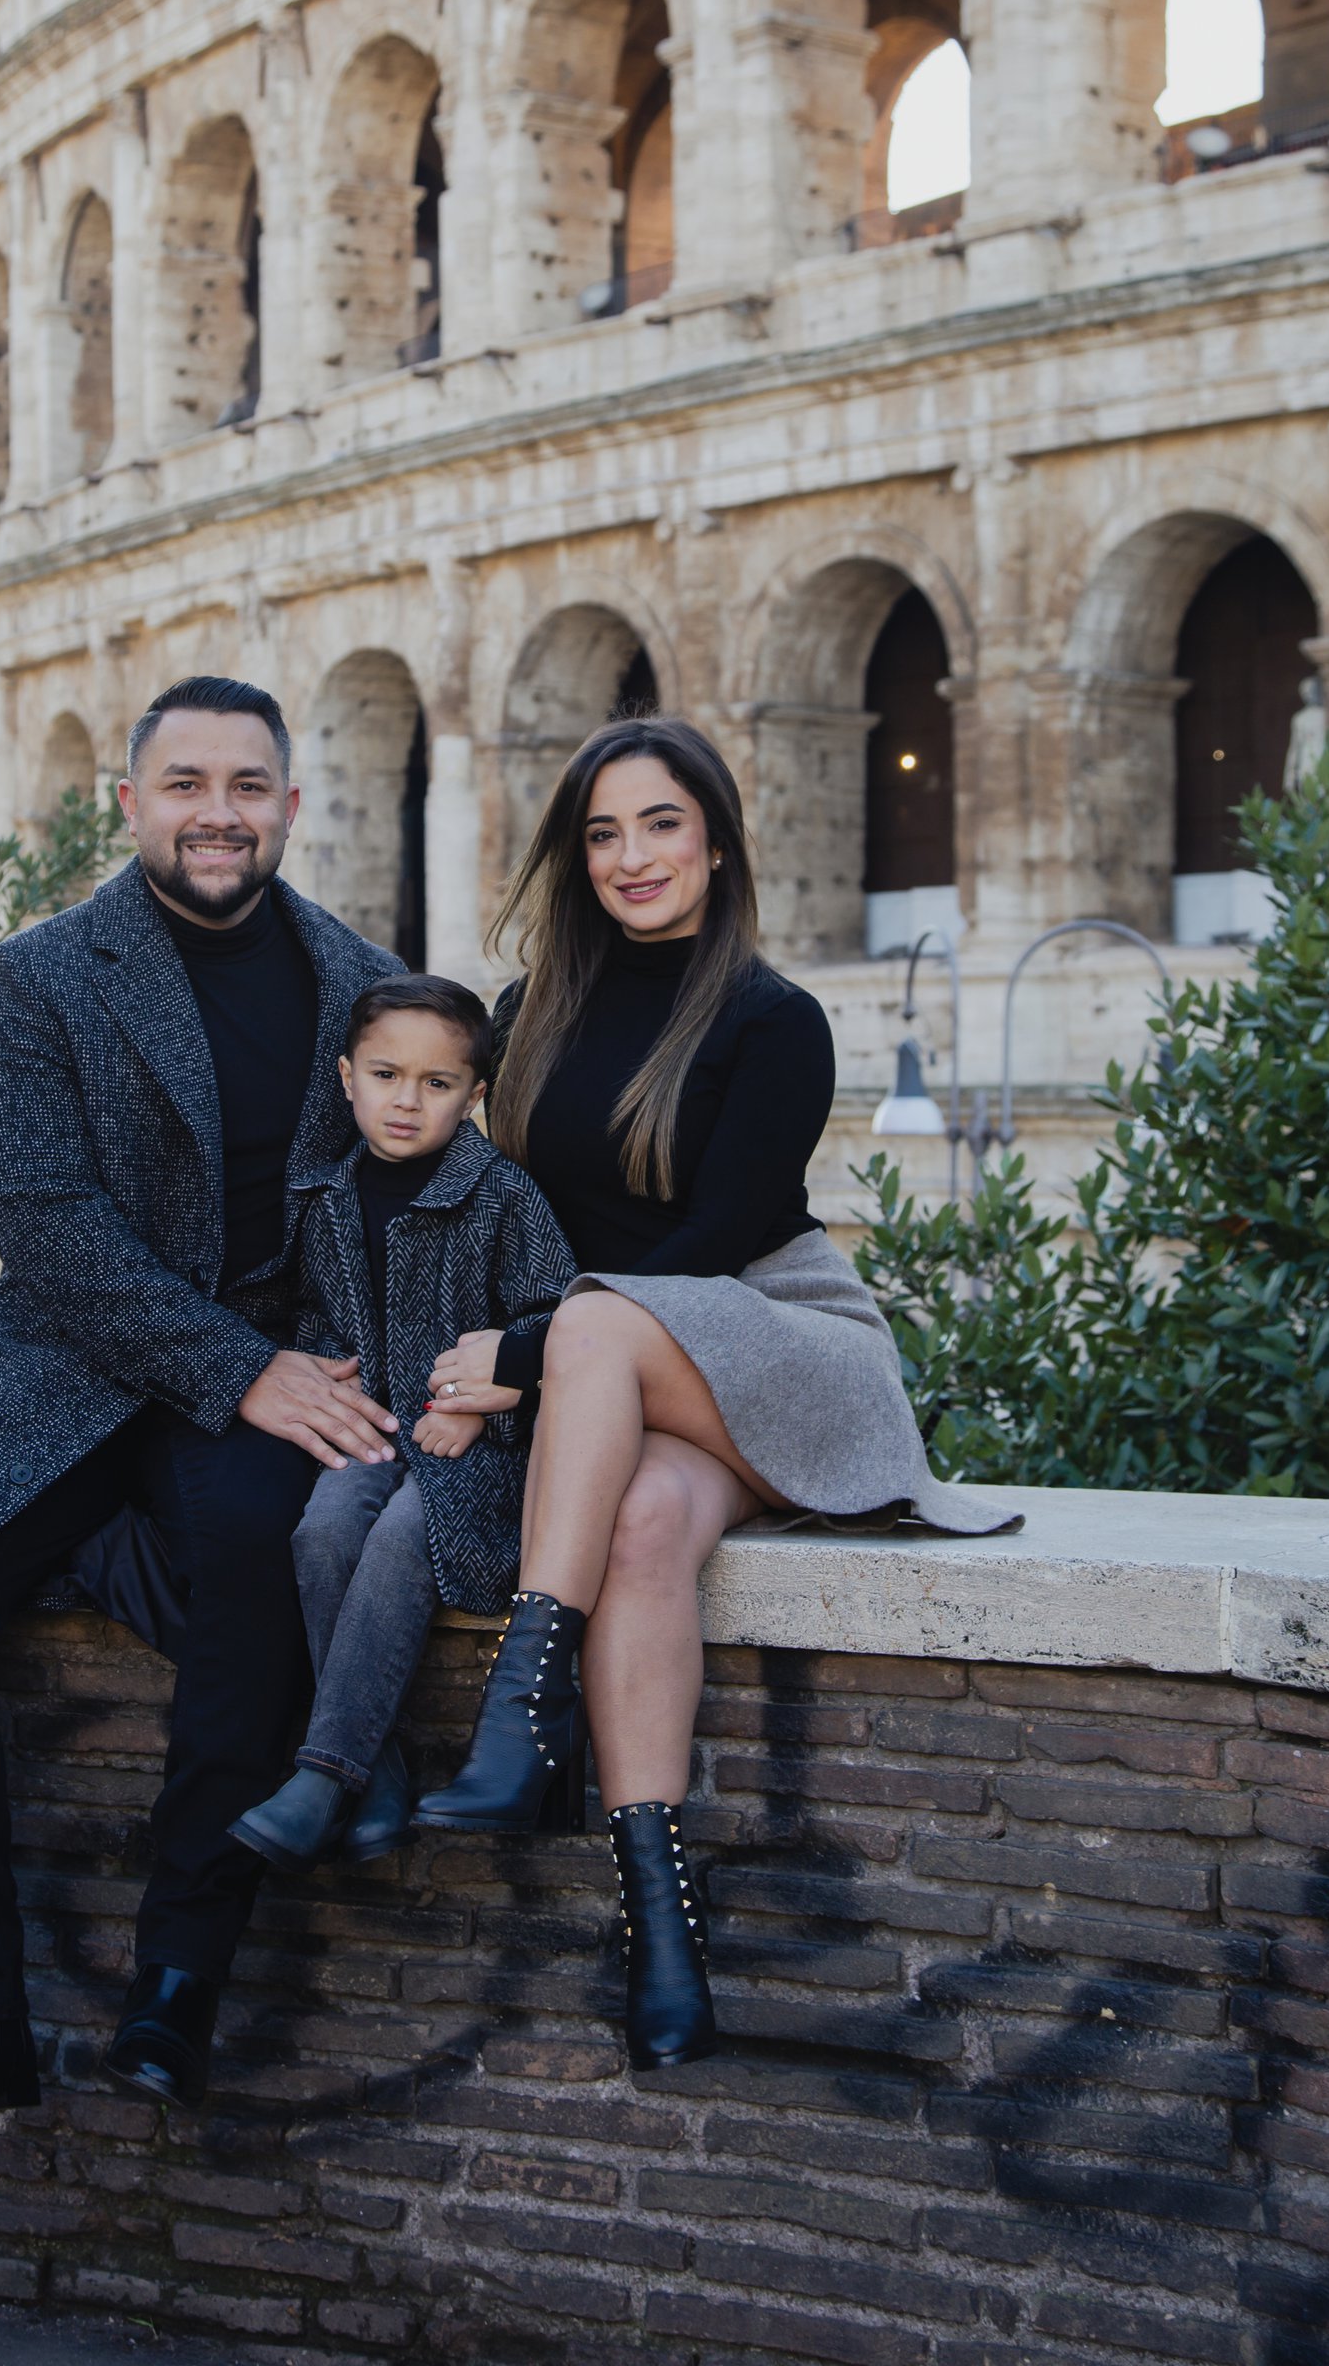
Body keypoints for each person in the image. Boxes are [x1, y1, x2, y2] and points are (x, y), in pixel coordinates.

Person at [0, 676, 401, 2122]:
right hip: (67, 1357)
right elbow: (47, 1222)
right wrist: (234, 1368)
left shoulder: (364, 983)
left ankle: (179, 1984)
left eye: (245, 787)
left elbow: (411, 1192)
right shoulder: (40, 974)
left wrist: (324, 1364)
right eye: (185, 785)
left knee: (258, 1569)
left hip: (272, 1371)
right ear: (130, 804)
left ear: (291, 806)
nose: (217, 814)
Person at [413, 717, 1020, 2073]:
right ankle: (664, 1928)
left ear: (719, 842)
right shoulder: (527, 1015)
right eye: (603, 833)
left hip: (780, 1339)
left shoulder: (772, 1020)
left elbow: (713, 1243)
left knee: (595, 1326)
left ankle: (521, 1713)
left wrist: (528, 1354)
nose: (632, 857)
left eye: (662, 824)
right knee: (640, 1527)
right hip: (624, 1364)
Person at [227, 975, 575, 1876]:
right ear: (349, 1079)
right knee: (323, 1531)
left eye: (437, 1083)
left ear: (474, 1095)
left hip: (476, 1453)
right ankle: (375, 1779)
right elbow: (310, 1310)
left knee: (396, 1544)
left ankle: (322, 1775)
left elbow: (556, 1320)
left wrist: (476, 1403)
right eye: (386, 1076)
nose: (407, 1101)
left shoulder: (502, 1196)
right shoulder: (326, 1194)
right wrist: (320, 1371)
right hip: (375, 1428)